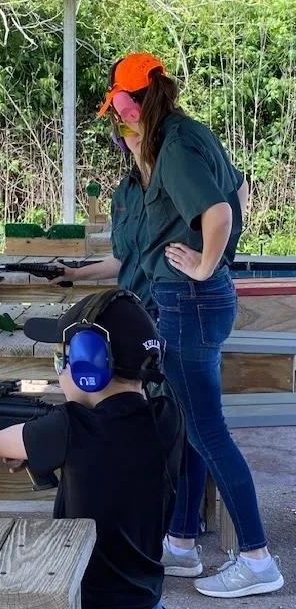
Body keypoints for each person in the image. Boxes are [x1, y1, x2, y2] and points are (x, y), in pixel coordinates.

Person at [96, 52, 284, 599]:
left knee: (207, 433)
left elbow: (221, 214)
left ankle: (257, 559)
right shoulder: (185, 135)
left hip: (188, 299)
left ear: (132, 102)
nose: (118, 122)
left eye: (118, 109)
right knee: (187, 425)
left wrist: (204, 263)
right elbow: (239, 194)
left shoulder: (174, 144)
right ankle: (180, 544)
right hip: (193, 300)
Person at [0, 289, 186, 609]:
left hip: (86, 598)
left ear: (89, 363)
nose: (59, 365)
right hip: (146, 595)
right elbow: (113, 463)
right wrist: (42, 449)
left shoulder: (71, 426)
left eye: (63, 355)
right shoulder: (168, 416)